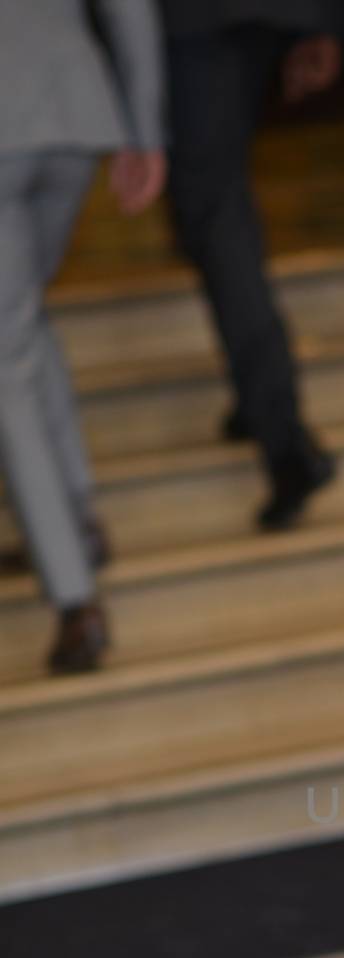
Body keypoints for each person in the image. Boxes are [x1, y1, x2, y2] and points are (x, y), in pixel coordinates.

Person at [0, 0, 166, 673]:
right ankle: (75, 515)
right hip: (75, 111)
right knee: (19, 321)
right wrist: (145, 128)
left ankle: (75, 598)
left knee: (7, 347)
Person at [159, 0, 343, 530]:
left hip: (194, 20)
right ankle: (255, 396)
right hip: (265, 15)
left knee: (214, 213)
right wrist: (321, 21)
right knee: (211, 202)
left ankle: (285, 443)